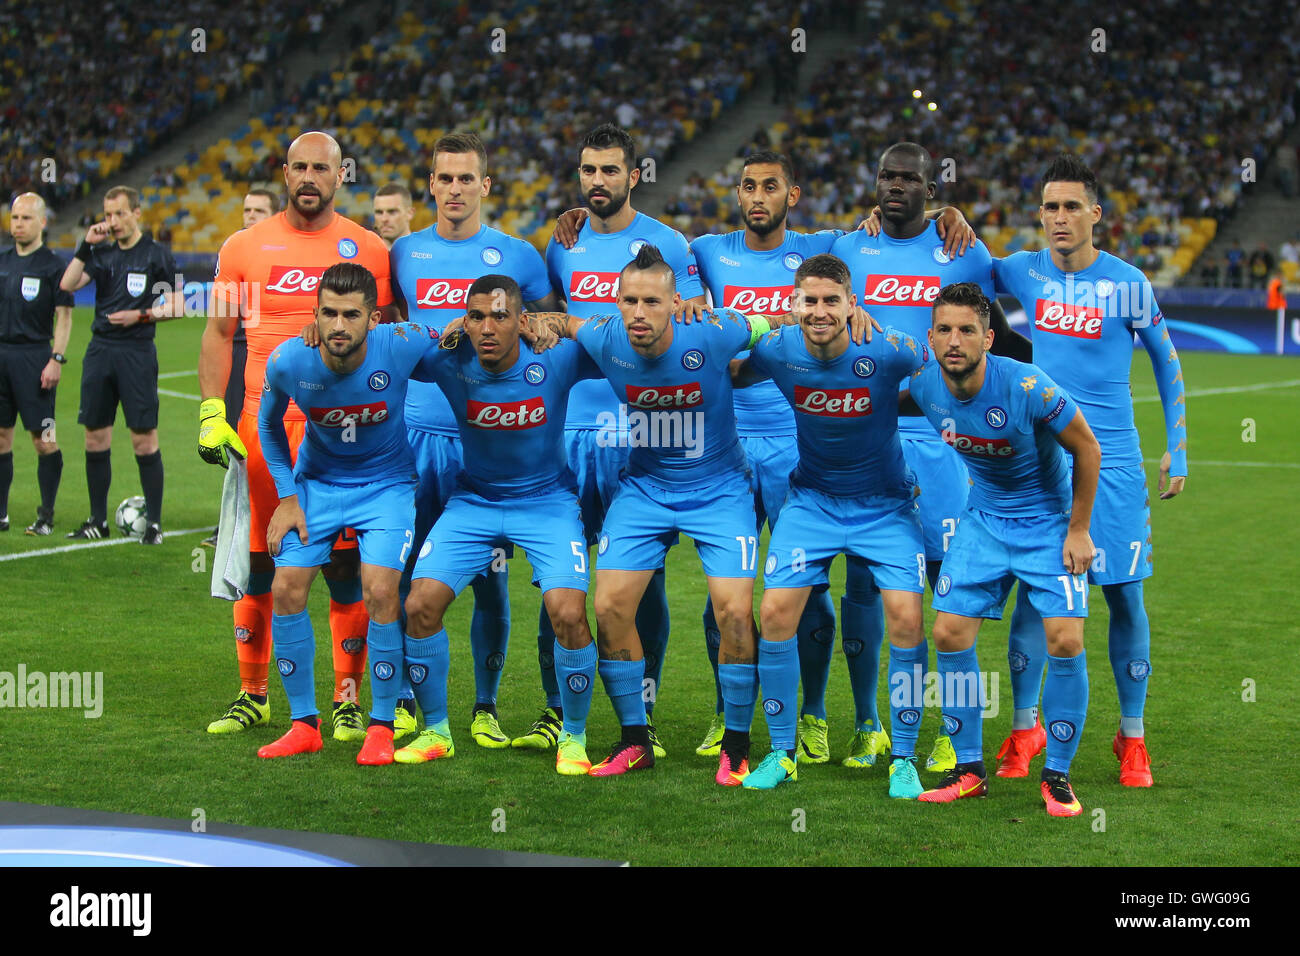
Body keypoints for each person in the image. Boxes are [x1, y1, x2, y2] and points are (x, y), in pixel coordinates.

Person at [536, 245, 858, 781]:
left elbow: (780, 319)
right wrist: (531, 321)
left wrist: (851, 311)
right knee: (611, 606)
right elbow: (561, 321)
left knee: (734, 612)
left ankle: (737, 744)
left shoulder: (714, 330)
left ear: (676, 302)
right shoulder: (605, 335)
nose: (639, 314)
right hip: (644, 489)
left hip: (720, 489)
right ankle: (634, 739)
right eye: (629, 301)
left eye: (652, 303)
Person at [832, 142, 1030, 774]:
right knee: (865, 584)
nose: (896, 186)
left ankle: (954, 733)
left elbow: (1006, 341)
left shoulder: (962, 249)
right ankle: (870, 725)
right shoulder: (846, 250)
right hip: (869, 437)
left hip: (942, 443)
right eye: (887, 176)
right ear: (876, 182)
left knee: (953, 601)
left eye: (909, 179)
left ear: (930, 187)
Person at [992, 154, 1187, 787]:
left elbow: (1166, 358)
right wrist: (954, 218)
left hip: (1116, 462)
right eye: (1049, 206)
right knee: (1030, 598)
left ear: (1095, 215)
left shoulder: (1128, 283)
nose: (1058, 217)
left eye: (1072, 206)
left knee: (1123, 594)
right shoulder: (1024, 271)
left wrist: (1176, 447)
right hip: (1042, 461)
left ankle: (1132, 738)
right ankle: (1025, 728)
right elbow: (961, 269)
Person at [199, 131, 396, 742]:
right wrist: (212, 409)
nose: (310, 177)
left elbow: (386, 336)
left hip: (342, 435)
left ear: (343, 176)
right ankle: (252, 694)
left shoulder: (369, 249)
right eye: (300, 167)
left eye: (323, 168)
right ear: (285, 173)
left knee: (344, 570)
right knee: (260, 566)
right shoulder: (242, 247)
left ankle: (344, 699)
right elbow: (217, 331)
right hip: (264, 429)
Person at [729, 253, 929, 793]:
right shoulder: (777, 349)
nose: (819, 311)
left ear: (851, 305)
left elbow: (946, 372)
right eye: (809, 301)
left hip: (885, 505)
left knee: (908, 618)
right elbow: (731, 372)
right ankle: (781, 752)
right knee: (773, 613)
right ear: (792, 305)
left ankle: (903, 757)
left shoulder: (889, 349)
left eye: (831, 301)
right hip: (812, 502)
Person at [389, 131, 559, 750]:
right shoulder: (404, 252)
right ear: (430, 184)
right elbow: (380, 327)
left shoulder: (518, 255)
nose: (455, 189)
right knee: (406, 573)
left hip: (488, 440)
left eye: (467, 179)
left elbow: (548, 325)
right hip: (414, 433)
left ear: (485, 186)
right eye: (445, 178)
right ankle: (408, 703)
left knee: (490, 574)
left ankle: (484, 707)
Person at [905, 282, 1101, 817]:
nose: (954, 340)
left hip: (1048, 524)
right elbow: (874, 403)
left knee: (1064, 641)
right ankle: (969, 771)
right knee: (947, 632)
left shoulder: (1028, 385)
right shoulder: (924, 387)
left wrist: (1078, 530)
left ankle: (1056, 776)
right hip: (983, 521)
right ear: (931, 337)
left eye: (967, 329)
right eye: (944, 329)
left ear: (989, 338)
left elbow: (1086, 446)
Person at [543, 124, 707, 757]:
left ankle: (644, 707)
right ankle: (559, 710)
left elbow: (687, 327)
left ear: (635, 174)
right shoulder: (564, 242)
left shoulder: (667, 244)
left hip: (642, 429)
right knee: (560, 571)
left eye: (611, 170)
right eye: (588, 170)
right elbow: (545, 327)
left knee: (645, 579)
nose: (598, 182)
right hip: (567, 430)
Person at [395, 275, 600, 776]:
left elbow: (624, 344)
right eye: (477, 317)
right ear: (464, 321)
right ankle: (437, 730)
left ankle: (574, 736)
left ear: (523, 321)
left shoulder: (557, 358)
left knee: (567, 613)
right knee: (420, 604)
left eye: (501, 316)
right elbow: (380, 346)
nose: (488, 328)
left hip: (547, 502)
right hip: (475, 501)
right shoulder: (448, 360)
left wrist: (565, 323)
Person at [255, 266, 421, 765]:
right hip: (318, 488)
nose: (339, 325)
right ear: (315, 315)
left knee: (381, 589)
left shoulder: (403, 343)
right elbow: (267, 427)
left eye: (352, 314)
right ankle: (304, 724)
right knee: (284, 588)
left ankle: (382, 726)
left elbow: (461, 346)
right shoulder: (288, 362)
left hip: (387, 486)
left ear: (374, 318)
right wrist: (287, 497)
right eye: (329, 313)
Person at [59, 185, 186, 543]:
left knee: (143, 439)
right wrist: (86, 244)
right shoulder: (101, 254)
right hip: (100, 351)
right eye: (107, 214)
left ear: (136, 213)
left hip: (136, 352)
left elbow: (178, 306)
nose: (112, 222)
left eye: (118, 214)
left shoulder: (157, 255)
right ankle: (97, 521)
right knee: (95, 436)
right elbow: (67, 284)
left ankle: (156, 525)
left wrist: (141, 315)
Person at [203, 187, 279, 548]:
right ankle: (235, 523)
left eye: (259, 210)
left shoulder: (284, 251)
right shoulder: (235, 249)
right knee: (238, 436)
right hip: (239, 347)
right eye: (247, 209)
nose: (250, 216)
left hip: (270, 350)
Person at [0, 193, 72, 535]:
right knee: (1, 437)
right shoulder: (2, 260)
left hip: (34, 358)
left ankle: (45, 516)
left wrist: (56, 359)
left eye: (26, 218)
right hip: (2, 356)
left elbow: (64, 317)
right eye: (14, 218)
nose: (18, 224)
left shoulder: (54, 266)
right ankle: (1, 514)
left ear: (42, 222)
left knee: (44, 439)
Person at [372, 182, 414, 249]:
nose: (384, 219)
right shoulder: (365, 255)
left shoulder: (426, 254)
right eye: (379, 212)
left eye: (392, 212)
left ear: (409, 213)